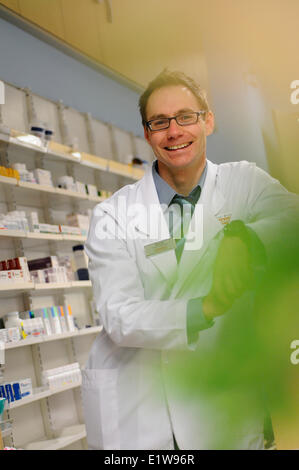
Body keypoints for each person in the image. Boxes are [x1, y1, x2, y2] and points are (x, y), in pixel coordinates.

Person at [82, 70, 299, 450]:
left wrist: (247, 239)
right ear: (147, 134)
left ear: (208, 120)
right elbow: (119, 314)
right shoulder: (113, 214)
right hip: (141, 411)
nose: (174, 131)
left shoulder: (244, 183)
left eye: (186, 116)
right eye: (160, 122)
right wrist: (205, 307)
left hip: (221, 402)